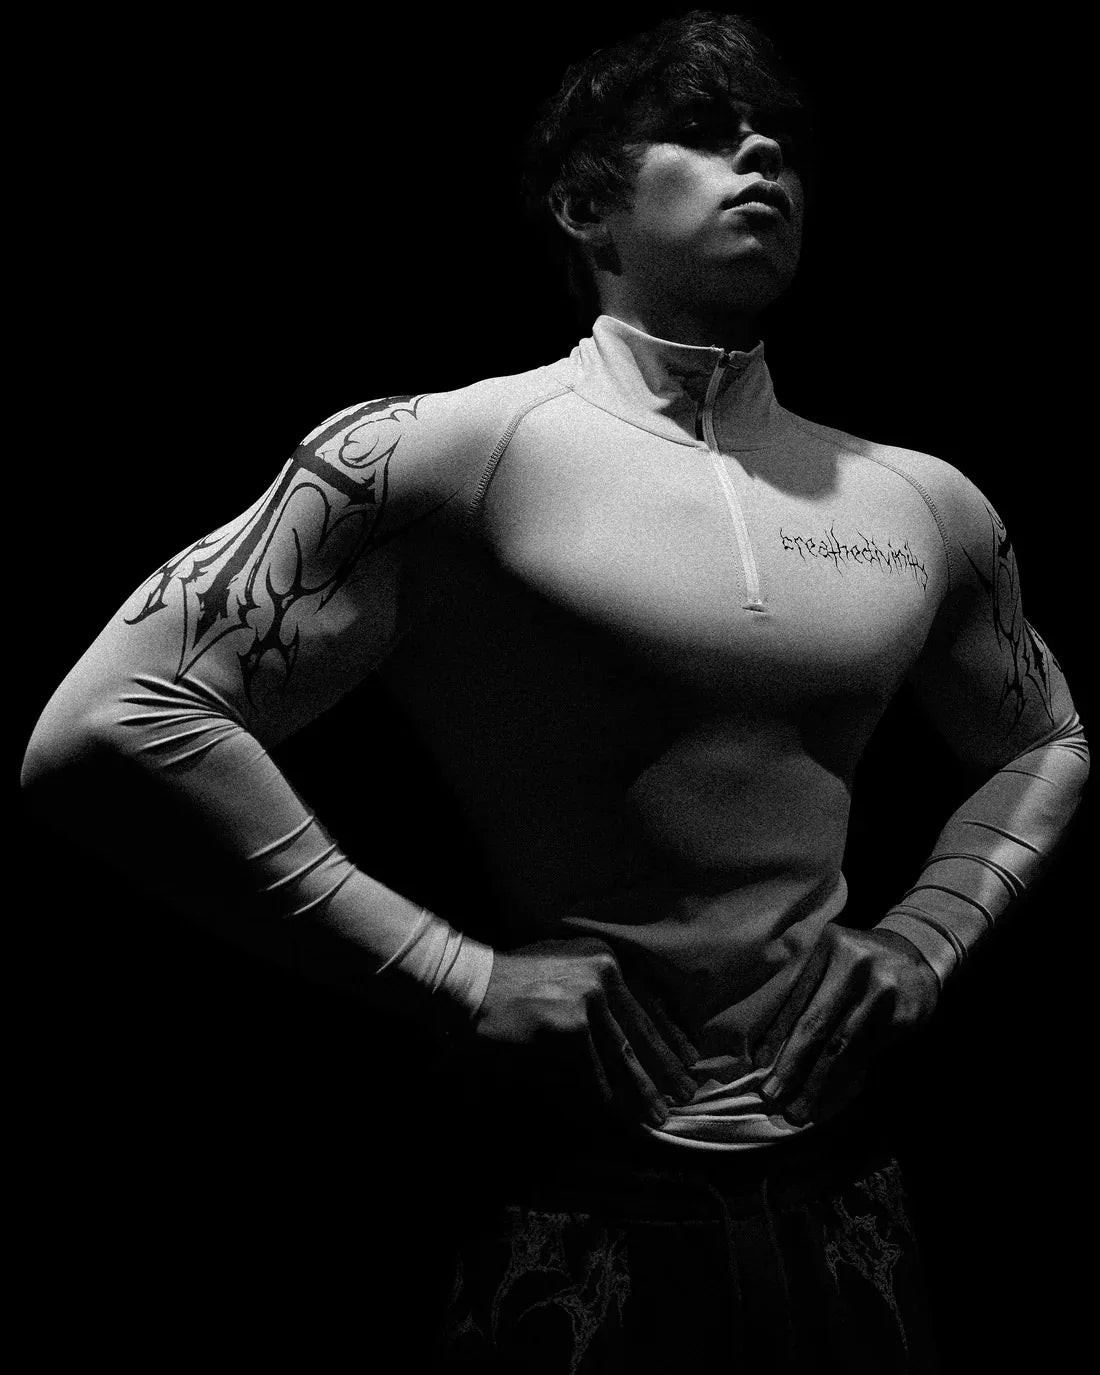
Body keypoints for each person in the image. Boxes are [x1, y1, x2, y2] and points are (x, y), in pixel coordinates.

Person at [21, 10, 1088, 1373]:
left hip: (846, 1200)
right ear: (587, 205)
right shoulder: (455, 449)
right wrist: (454, 976)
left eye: (781, 138)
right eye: (703, 132)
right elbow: (107, 724)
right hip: (567, 1203)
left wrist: (927, 938)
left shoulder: (920, 499)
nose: (763, 155)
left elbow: (1046, 740)